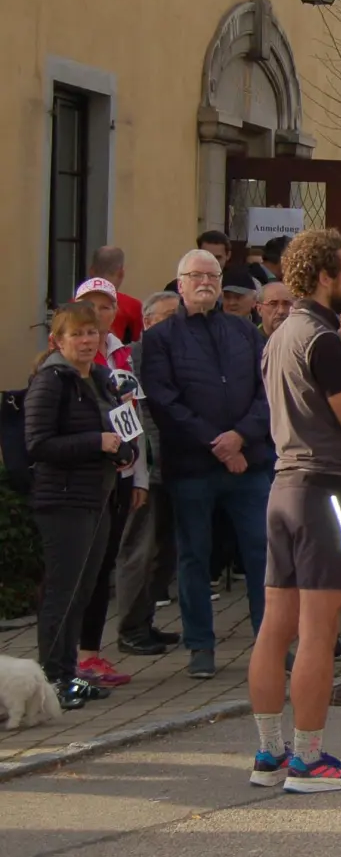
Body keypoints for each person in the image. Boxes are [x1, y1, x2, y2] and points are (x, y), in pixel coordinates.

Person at [251, 228, 341, 792]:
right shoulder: (323, 341)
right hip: (324, 487)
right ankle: (308, 758)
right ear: (326, 276)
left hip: (283, 485)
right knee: (318, 631)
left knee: (275, 627)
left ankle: (269, 752)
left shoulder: (280, 334)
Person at [141, 248, 273, 680]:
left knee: (261, 555)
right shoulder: (160, 340)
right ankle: (200, 646)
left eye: (212, 275)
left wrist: (240, 438)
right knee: (194, 557)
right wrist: (215, 443)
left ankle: (269, 644)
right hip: (193, 467)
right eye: (195, 275)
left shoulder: (245, 332)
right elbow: (163, 399)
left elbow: (267, 390)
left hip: (248, 464)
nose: (205, 282)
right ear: (179, 284)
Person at [26, 302, 132, 710]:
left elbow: (123, 428)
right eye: (77, 335)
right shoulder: (52, 381)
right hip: (63, 500)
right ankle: (52, 679)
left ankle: (69, 673)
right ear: (58, 341)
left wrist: (125, 451)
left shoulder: (102, 378)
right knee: (62, 592)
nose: (87, 341)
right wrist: (96, 442)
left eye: (92, 333)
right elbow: (37, 443)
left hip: (98, 496)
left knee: (84, 590)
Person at [69, 279, 149, 687]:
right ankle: (66, 657)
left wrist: (139, 474)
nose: (97, 317)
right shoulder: (67, 358)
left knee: (103, 568)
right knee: (80, 569)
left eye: (105, 308)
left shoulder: (120, 354)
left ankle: (90, 653)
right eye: (89, 307)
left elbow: (132, 419)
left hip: (118, 474)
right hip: (81, 479)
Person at [114, 293, 183, 657]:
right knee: (137, 549)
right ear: (148, 321)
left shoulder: (179, 353)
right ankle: (129, 627)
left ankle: (145, 621)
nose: (175, 322)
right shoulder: (133, 357)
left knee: (164, 550)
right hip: (147, 467)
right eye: (167, 317)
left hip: (177, 464)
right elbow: (137, 415)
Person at [88, 246, 144, 343]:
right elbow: (137, 343)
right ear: (121, 273)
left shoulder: (74, 303)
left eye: (104, 308)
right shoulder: (133, 306)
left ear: (91, 271)